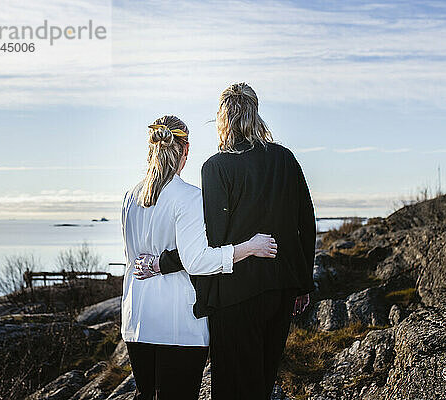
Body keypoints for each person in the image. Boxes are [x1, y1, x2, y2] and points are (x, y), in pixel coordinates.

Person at [139, 83, 316, 399]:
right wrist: (302, 283)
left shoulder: (216, 167)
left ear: (222, 118)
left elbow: (210, 239)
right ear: (255, 113)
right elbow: (306, 221)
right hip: (281, 290)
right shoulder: (285, 158)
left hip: (236, 296)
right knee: (262, 379)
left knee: (233, 387)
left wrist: (162, 264)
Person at [120, 115, 278, 400]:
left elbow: (131, 257)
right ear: (186, 150)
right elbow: (197, 261)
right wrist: (250, 247)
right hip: (177, 323)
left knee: (146, 395)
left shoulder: (130, 196)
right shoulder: (188, 197)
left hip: (137, 319)